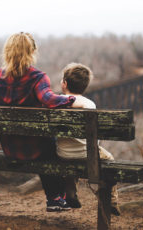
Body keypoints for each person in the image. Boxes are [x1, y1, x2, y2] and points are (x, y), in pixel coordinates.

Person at [0, 32, 76, 211]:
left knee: (47, 144)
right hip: (37, 149)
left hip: (10, 147)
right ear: (32, 52)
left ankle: (58, 197)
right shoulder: (38, 77)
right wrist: (70, 99)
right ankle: (56, 197)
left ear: (7, 52)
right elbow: (49, 100)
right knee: (51, 145)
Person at [57, 62, 121, 215]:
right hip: (87, 154)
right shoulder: (89, 104)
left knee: (70, 161)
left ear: (64, 84)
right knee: (109, 158)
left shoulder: (57, 102)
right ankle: (112, 200)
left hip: (63, 154)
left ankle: (71, 193)